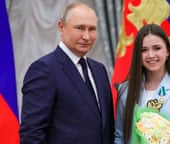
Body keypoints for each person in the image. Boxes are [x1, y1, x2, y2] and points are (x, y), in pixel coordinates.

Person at [20, 2, 114, 144]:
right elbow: (32, 134)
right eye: (80, 28)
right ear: (61, 26)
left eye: (92, 29)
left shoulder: (99, 70)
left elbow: (106, 128)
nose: (87, 36)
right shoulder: (44, 70)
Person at [114, 24, 170, 144]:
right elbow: (119, 137)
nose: (151, 55)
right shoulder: (125, 90)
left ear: (167, 51)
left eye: (157, 48)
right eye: (144, 50)